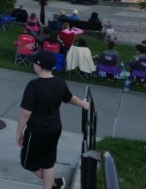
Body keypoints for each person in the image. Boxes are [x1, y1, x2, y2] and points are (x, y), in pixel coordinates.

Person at [16, 50, 90, 189]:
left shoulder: (33, 85)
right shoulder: (59, 83)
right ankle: (53, 185)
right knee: (47, 163)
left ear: (40, 66)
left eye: (34, 63)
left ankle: (54, 184)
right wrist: (83, 103)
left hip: (36, 131)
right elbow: (69, 98)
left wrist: (19, 132)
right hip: (54, 128)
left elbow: (25, 113)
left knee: (28, 163)